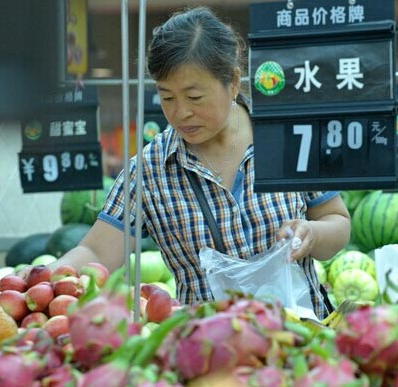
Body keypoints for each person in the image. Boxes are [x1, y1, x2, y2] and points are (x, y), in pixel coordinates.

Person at [48, 6, 351, 319]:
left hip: (304, 339)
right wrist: (38, 280)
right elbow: (97, 251)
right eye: (167, 97)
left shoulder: (286, 137)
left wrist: (312, 233)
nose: (181, 113)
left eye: (194, 97)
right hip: (207, 351)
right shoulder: (150, 170)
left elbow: (337, 223)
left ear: (232, 81)